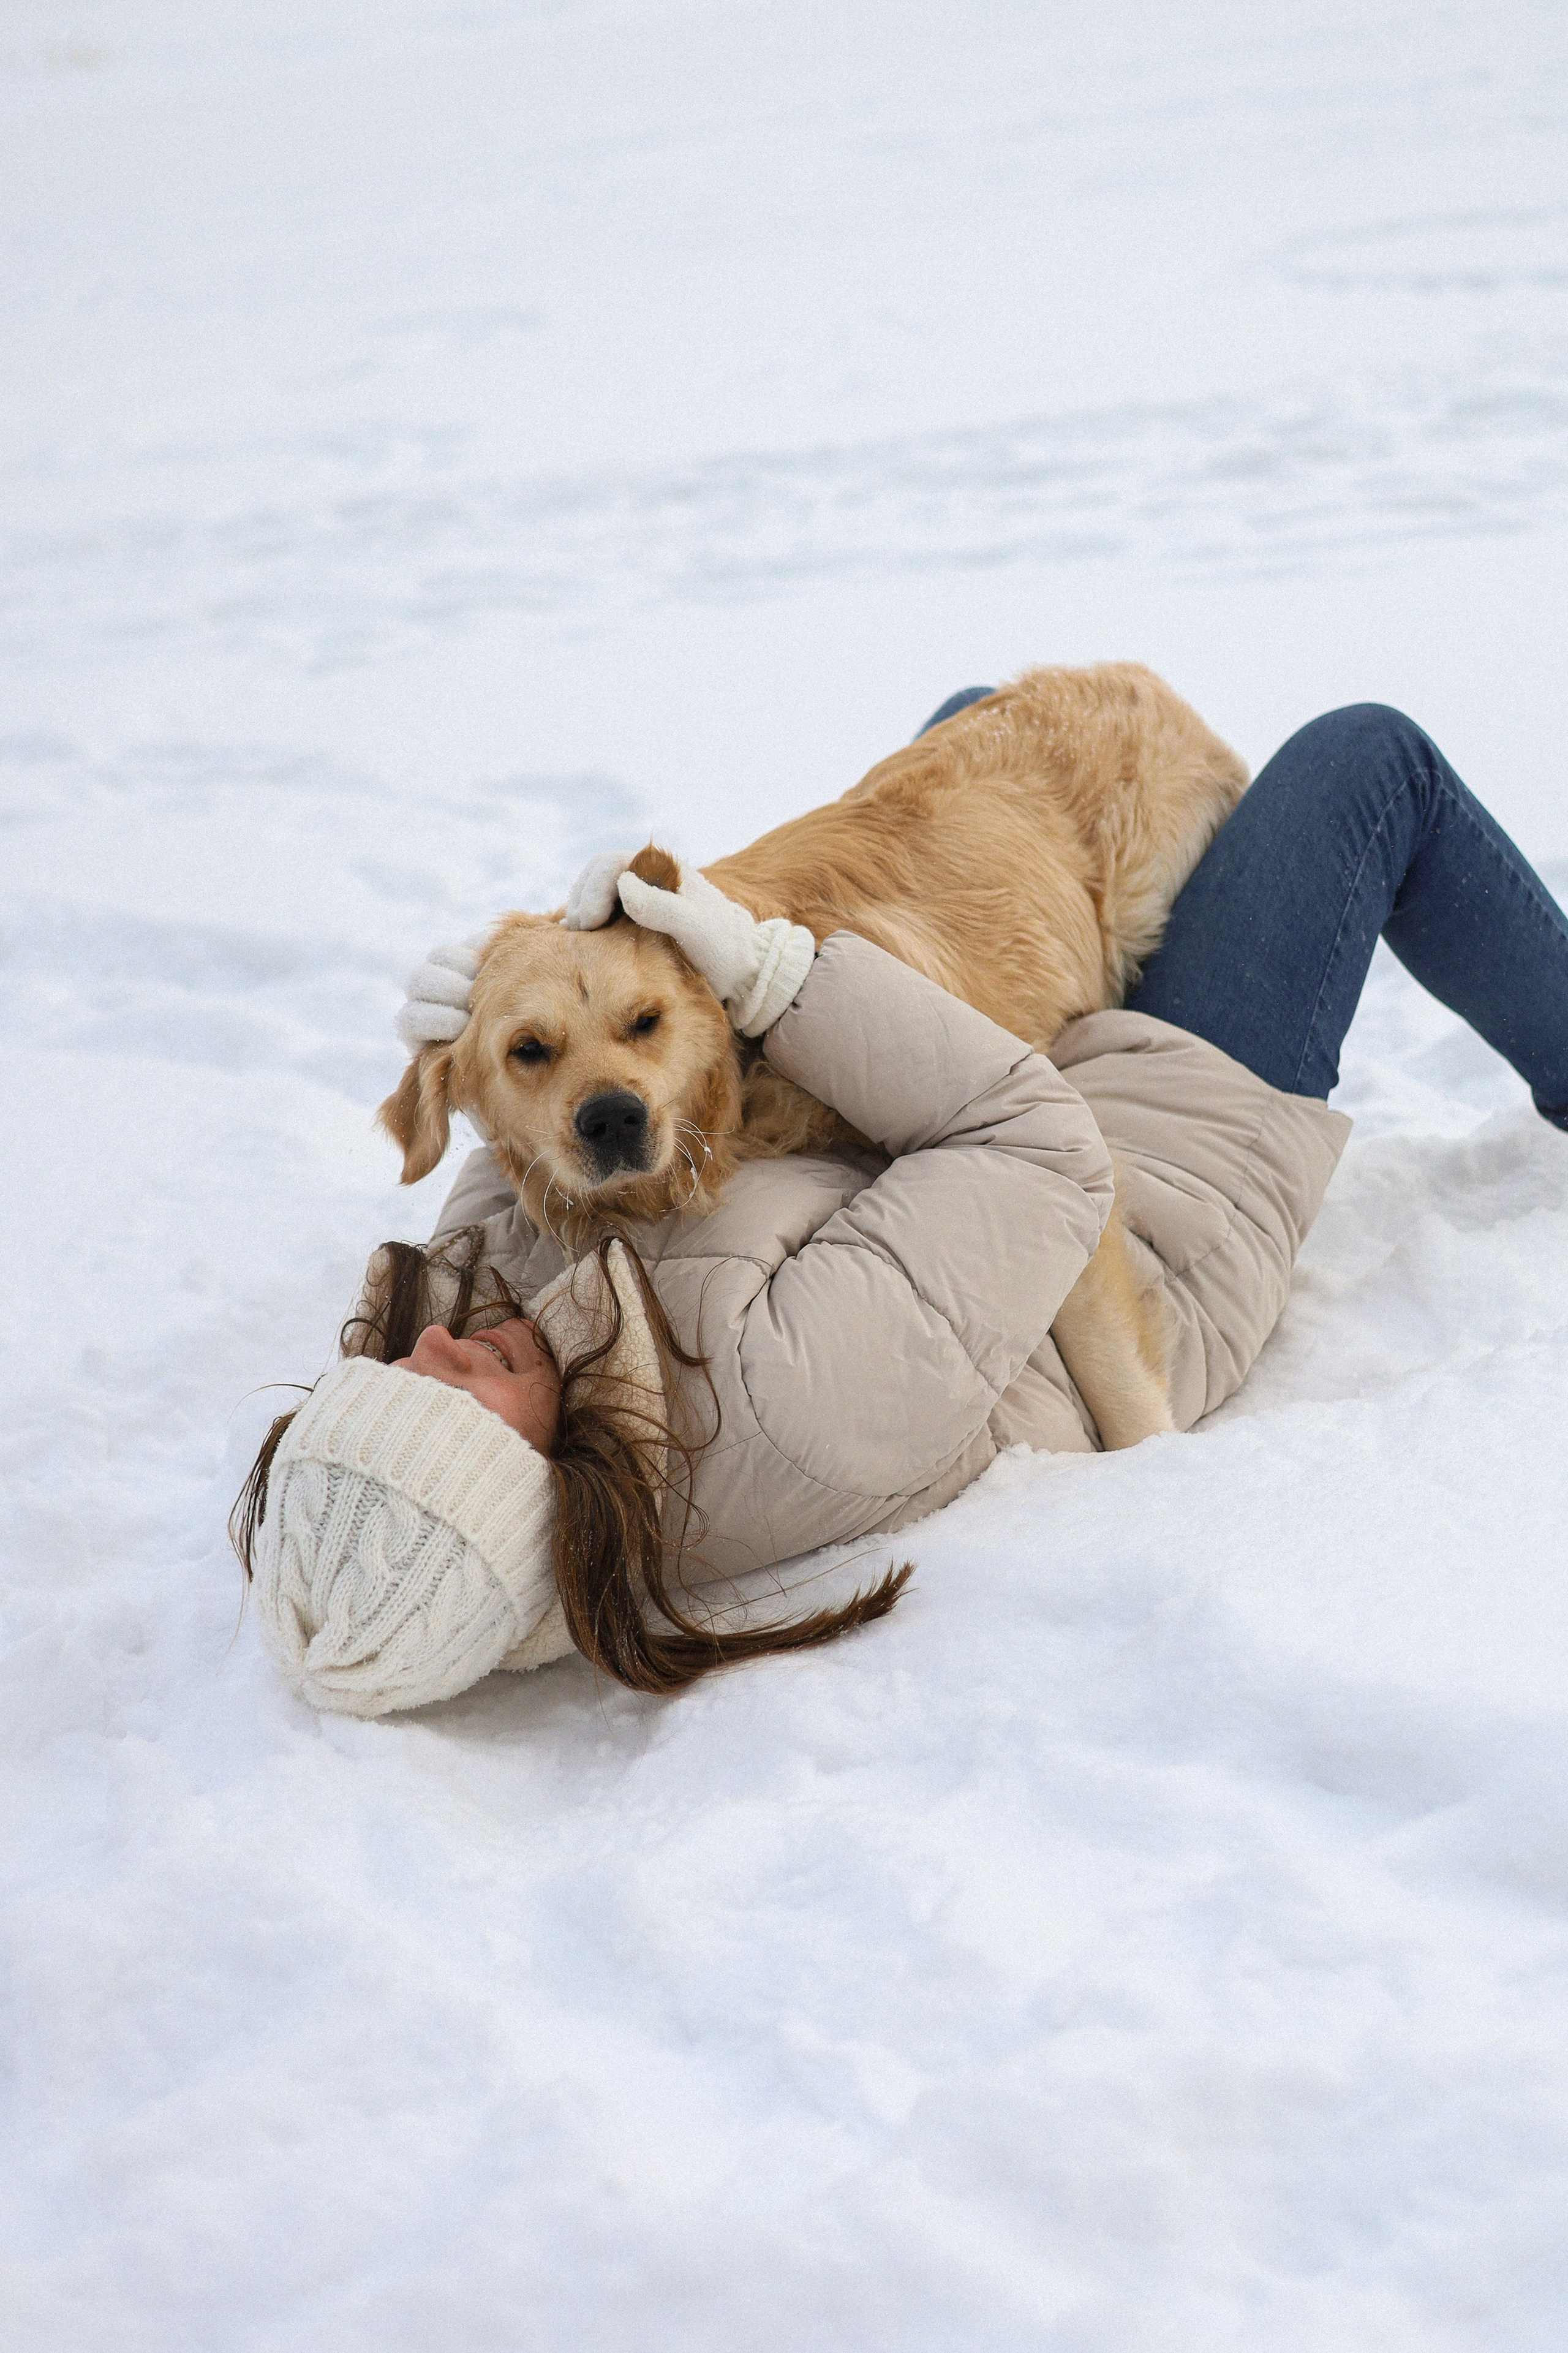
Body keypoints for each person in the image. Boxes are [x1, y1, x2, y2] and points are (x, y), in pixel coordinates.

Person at [236, 700, 1568, 1718]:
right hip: (1156, 1167)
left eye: (393, 1367)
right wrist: (766, 977)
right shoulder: (771, 1406)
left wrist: (485, 1018)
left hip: (994, 1099)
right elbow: (1037, 1154)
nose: (434, 1343)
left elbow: (519, 1162)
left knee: (971, 725)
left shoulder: (536, 1346)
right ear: (504, 1482)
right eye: (439, 1394)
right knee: (1364, 756)